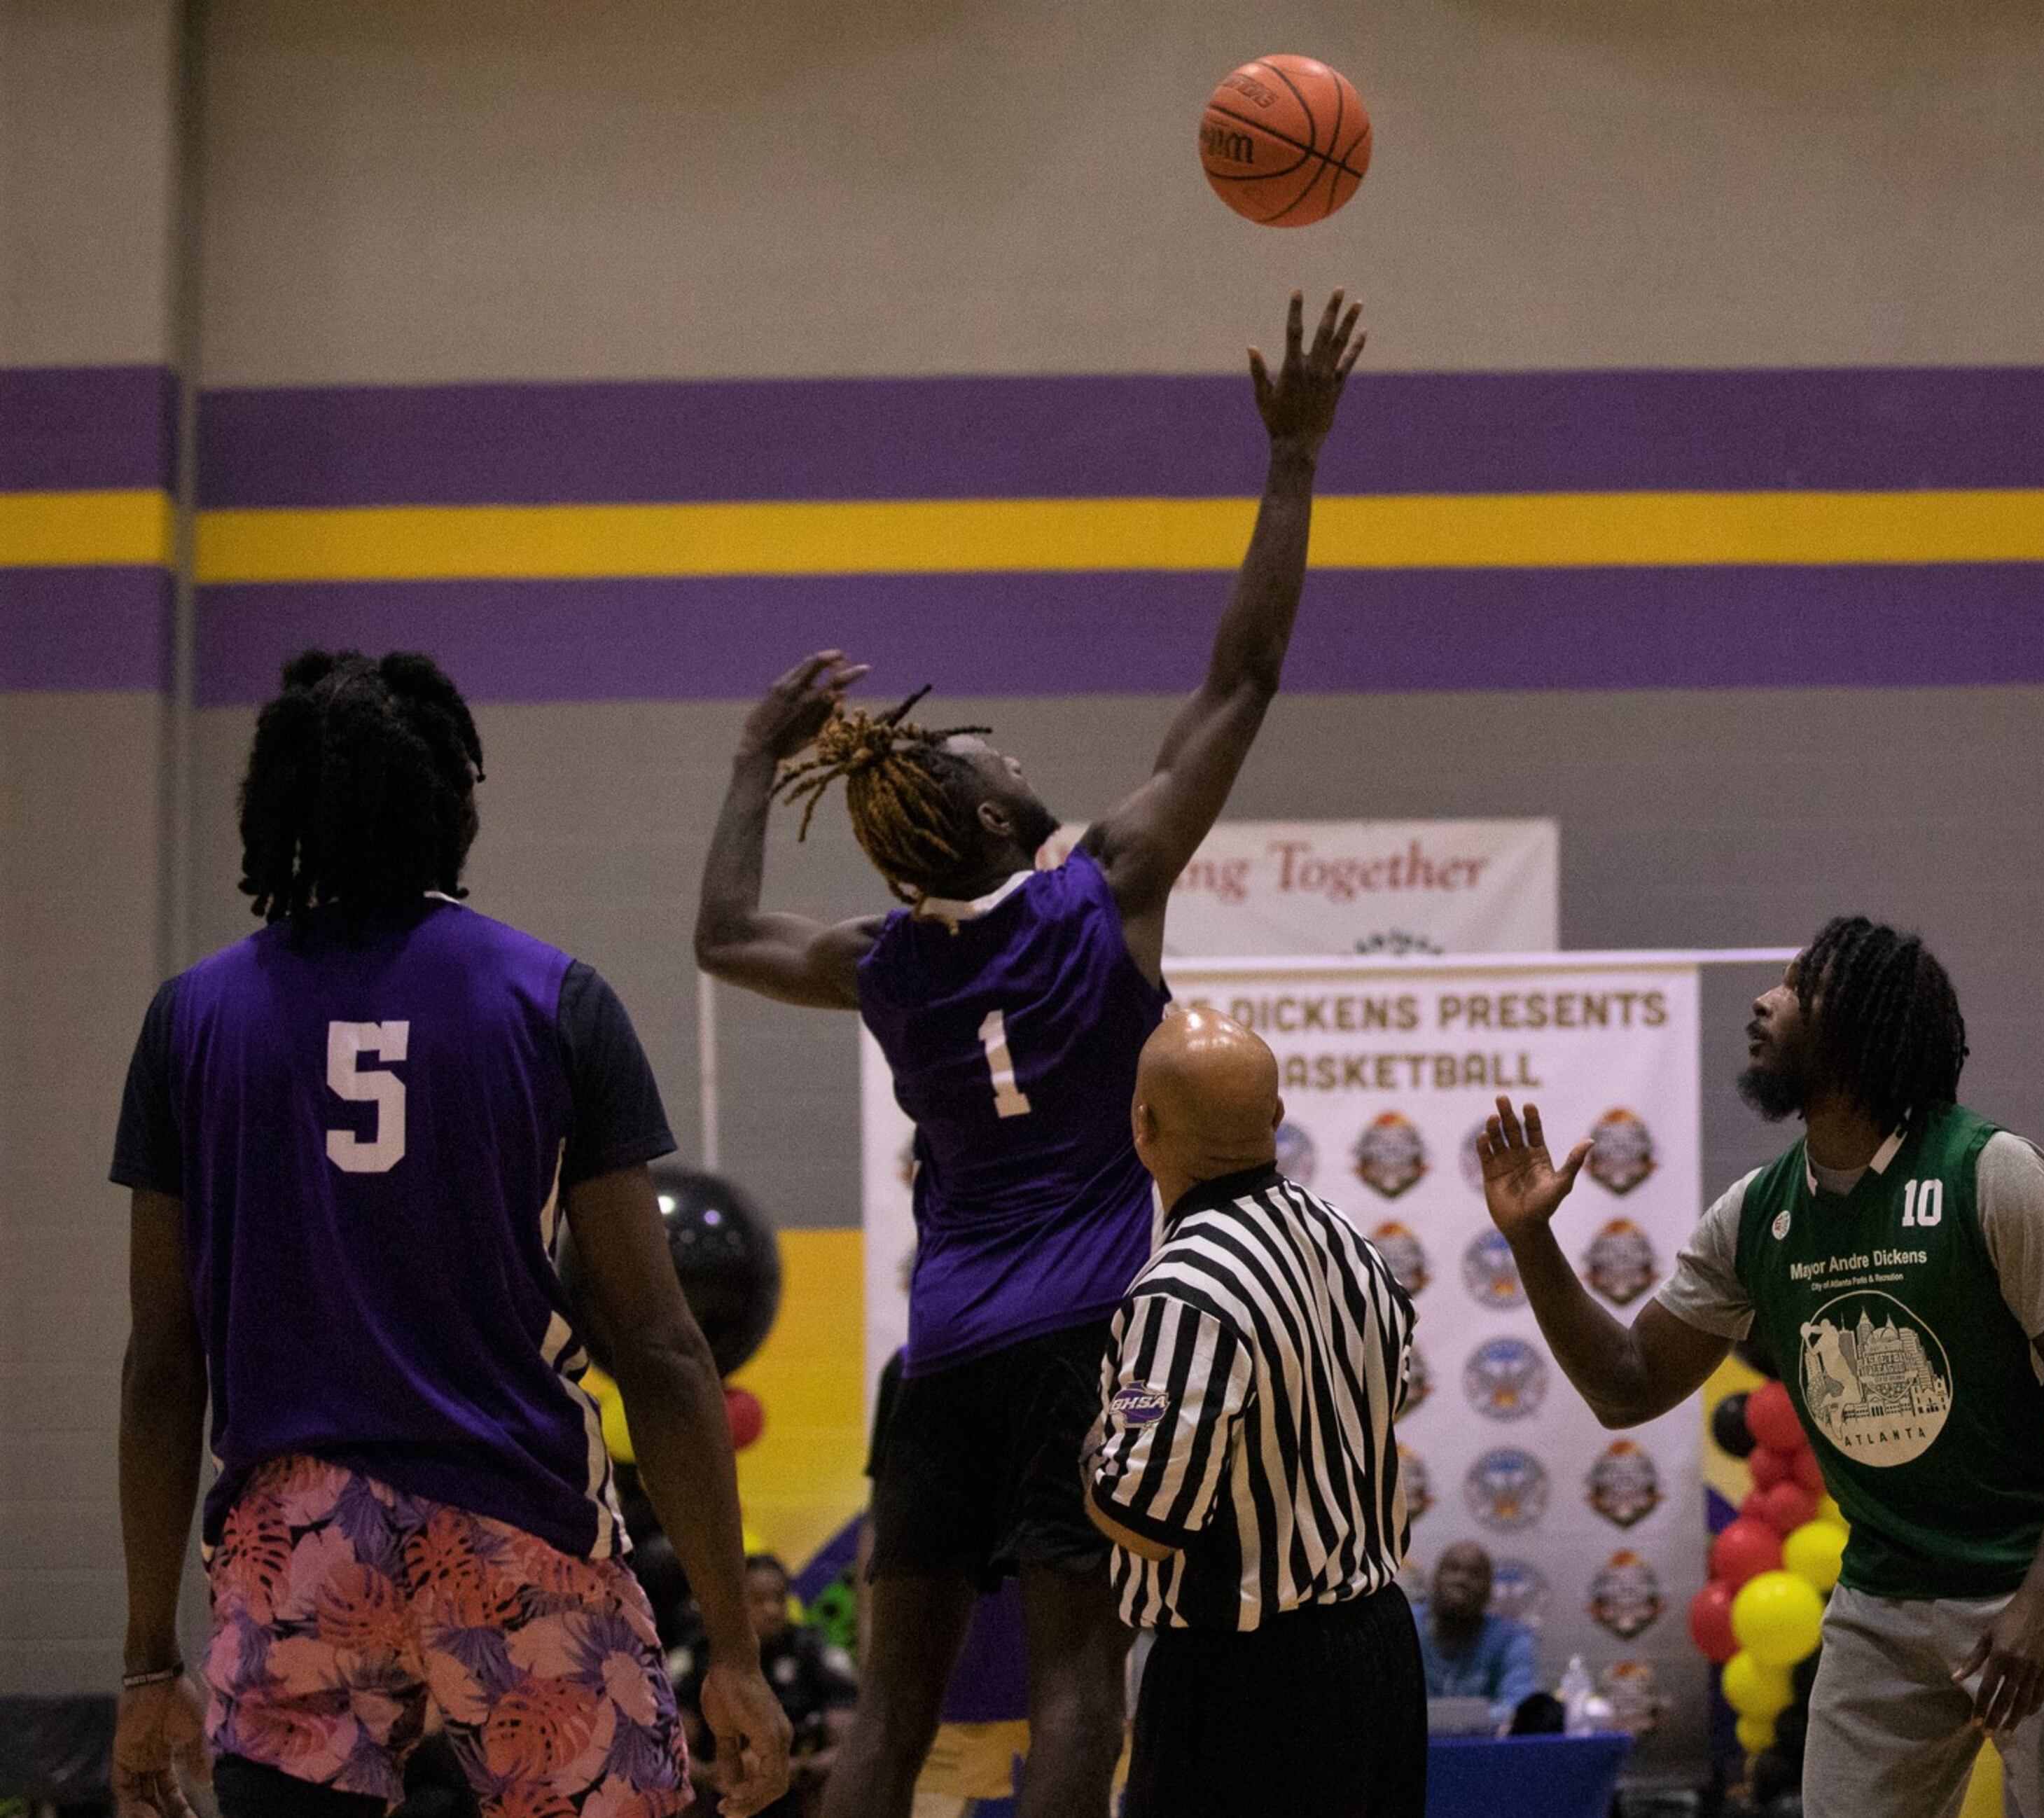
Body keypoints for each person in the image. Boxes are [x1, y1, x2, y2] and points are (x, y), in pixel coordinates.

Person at [692, 291, 1364, 1818]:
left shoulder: (883, 967)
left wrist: (751, 762)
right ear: (996, 816)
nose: (1007, 745)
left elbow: (724, 932)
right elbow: (1243, 680)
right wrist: (1293, 464)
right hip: (1083, 1342)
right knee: (1078, 1688)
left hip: (942, 1351)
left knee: (886, 1717)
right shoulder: (1102, 889)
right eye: (991, 752)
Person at [109, 651, 792, 1818]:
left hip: (299, 1534)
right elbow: (664, 1348)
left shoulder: (192, 1021)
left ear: (277, 811)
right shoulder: (554, 999)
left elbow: (164, 1361)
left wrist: (145, 1658)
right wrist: (733, 1645)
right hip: (510, 1513)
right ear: (453, 807)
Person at [1474, 915, 2044, 1818]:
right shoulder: (1756, 1214)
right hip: (1885, 1596)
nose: (1763, 1001)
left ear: (1866, 1021)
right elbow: (1627, 1383)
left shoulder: (1992, 1173)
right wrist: (1533, 1245)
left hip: (2037, 1588)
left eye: (1798, 987)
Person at [1082, 1008, 1424, 1817]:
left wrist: (1095, 1445)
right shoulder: (1349, 1240)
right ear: (1275, 1117)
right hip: (1379, 1653)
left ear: (1142, 1124)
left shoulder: (1183, 1288)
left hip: (1246, 1680)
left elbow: (1144, 1515)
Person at [677, 1557, 858, 1818]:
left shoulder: (813, 1652)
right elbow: (674, 1740)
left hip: (796, 1785)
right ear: (734, 1605)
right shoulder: (699, 1654)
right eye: (759, 1600)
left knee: (837, 1778)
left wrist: (797, 1769)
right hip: (718, 1787)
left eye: (779, 1599)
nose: (773, 1610)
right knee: (676, 1780)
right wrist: (709, 1773)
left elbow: (848, 1741)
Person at [1411, 1543, 1541, 1727]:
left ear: (1489, 1589)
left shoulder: (1511, 1638)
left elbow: (1518, 1707)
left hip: (1486, 1752)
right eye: (1453, 1569)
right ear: (1435, 1580)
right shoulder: (1404, 1626)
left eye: (1475, 1573)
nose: (1461, 1580)